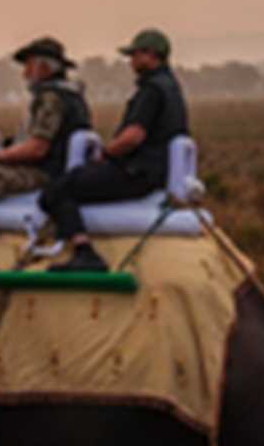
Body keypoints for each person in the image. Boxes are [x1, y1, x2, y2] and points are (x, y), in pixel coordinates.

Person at [39, 27, 190, 272]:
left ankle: (84, 251)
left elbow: (133, 136)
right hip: (155, 173)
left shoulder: (151, 90)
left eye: (135, 55)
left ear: (151, 55)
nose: (131, 61)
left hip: (136, 171)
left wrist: (106, 153)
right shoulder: (171, 87)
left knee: (57, 190)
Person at [0, 36, 91, 272]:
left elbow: (37, 148)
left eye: (28, 66)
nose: (25, 74)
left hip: (43, 172)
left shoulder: (50, 98)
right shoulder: (73, 95)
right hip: (60, 169)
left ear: (43, 67)